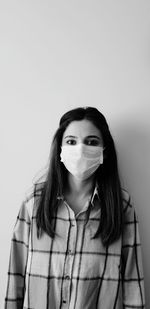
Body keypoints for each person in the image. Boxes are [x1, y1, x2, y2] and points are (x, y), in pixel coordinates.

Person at [5, 107, 145, 309]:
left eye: (92, 142)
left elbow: (133, 283)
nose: (81, 149)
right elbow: (15, 277)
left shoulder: (121, 206)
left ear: (104, 149)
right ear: (60, 148)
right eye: (71, 141)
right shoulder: (33, 203)